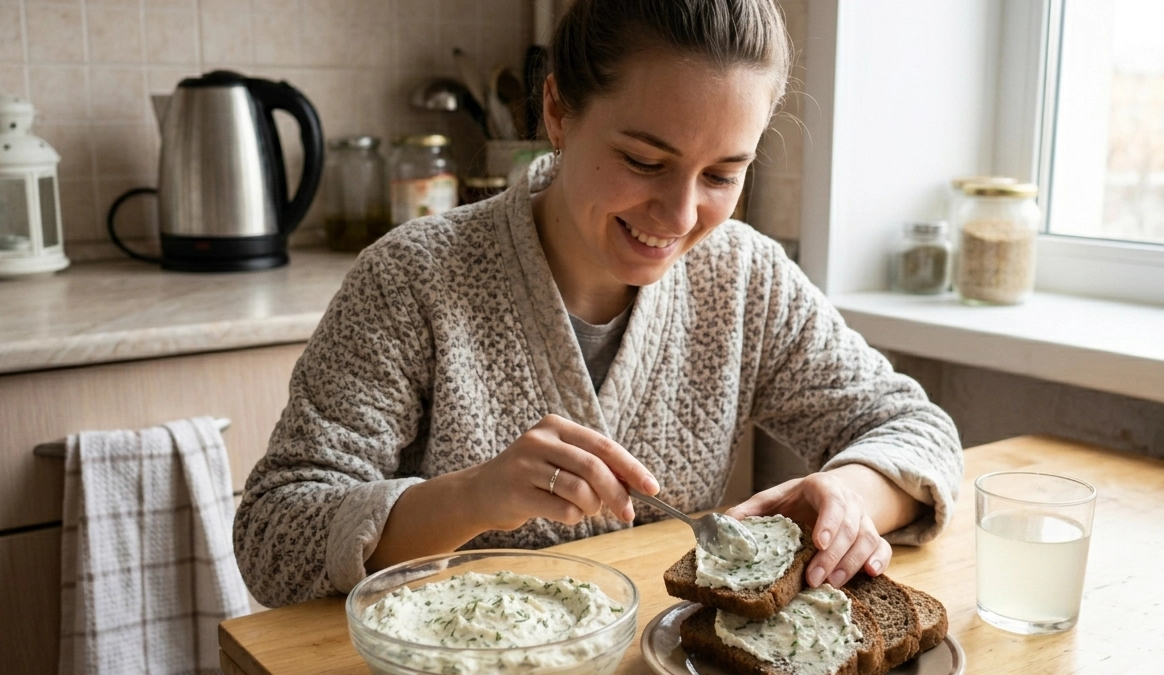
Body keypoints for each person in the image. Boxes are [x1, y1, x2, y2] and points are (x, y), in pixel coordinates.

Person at [233, 0, 963, 608]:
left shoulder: (745, 278)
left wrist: (848, 496)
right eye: (645, 161)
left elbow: (916, 427)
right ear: (557, 109)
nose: (679, 215)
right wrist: (473, 496)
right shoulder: (412, 280)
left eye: (722, 173)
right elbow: (273, 533)